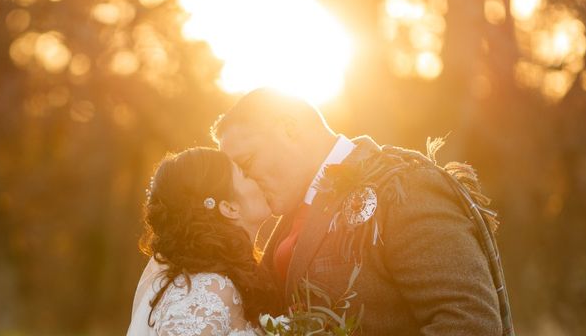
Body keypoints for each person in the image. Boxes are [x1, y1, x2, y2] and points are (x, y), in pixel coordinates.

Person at [213, 88, 515, 336]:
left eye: (247, 162)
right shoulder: (286, 222)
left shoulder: (405, 187)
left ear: (290, 129)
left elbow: (469, 324)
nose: (245, 182)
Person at [127, 147, 277, 335]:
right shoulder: (208, 291)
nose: (258, 178)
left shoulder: (221, 283)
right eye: (245, 175)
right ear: (229, 208)